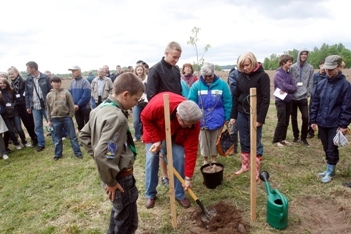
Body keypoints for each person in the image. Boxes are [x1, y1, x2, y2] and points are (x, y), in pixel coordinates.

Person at [79, 72, 144, 233]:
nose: (136, 104)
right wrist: (111, 180)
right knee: (126, 225)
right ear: (126, 94)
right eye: (136, 99)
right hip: (120, 179)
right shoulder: (117, 118)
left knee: (119, 217)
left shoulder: (100, 108)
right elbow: (103, 154)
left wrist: (102, 160)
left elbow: (84, 135)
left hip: (113, 175)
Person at [141, 91, 202, 209]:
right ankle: (150, 194)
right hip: (155, 129)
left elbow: (191, 149)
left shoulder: (194, 122)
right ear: (179, 116)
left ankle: (179, 194)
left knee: (179, 157)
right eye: (187, 124)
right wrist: (157, 139)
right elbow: (144, 117)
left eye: (192, 124)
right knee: (151, 159)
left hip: (176, 134)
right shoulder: (159, 105)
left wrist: (188, 177)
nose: (190, 127)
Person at [146, 41, 183, 188]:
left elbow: (178, 92)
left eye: (178, 57)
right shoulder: (155, 70)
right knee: (158, 151)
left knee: (176, 151)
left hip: (175, 117)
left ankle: (176, 179)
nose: (176, 60)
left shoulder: (176, 70)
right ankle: (164, 175)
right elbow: (151, 96)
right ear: (166, 53)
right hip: (160, 118)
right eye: (174, 57)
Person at [310, 55, 351, 183]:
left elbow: (347, 106)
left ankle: (331, 171)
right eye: (327, 68)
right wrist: (313, 120)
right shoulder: (321, 84)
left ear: (339, 67)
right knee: (325, 146)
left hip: (335, 123)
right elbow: (315, 103)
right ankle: (329, 167)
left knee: (332, 147)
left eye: (331, 69)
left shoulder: (345, 85)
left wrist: (344, 125)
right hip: (322, 122)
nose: (328, 71)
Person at [230, 52, 270, 181]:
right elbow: (235, 96)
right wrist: (233, 115)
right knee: (244, 139)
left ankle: (256, 169)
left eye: (247, 65)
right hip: (242, 112)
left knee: (256, 141)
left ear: (253, 63)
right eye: (242, 66)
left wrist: (260, 119)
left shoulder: (262, 76)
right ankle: (245, 166)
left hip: (255, 113)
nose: (245, 68)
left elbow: (265, 99)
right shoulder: (240, 76)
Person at [188, 62, 232, 165]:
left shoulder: (222, 85)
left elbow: (227, 101)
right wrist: (193, 116)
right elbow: (191, 102)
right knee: (203, 140)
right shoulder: (196, 86)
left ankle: (213, 158)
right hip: (201, 118)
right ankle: (205, 160)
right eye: (205, 76)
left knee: (215, 139)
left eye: (210, 76)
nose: (208, 78)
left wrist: (227, 116)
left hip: (218, 117)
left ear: (214, 73)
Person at [46, 76, 83, 161]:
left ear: (60, 83)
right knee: (57, 138)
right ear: (51, 83)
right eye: (54, 82)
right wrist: (49, 120)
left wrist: (70, 116)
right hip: (55, 119)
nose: (57, 84)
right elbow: (48, 108)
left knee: (72, 137)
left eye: (58, 82)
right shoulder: (49, 95)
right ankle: (58, 154)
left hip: (66, 118)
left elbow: (71, 106)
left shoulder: (66, 93)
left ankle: (78, 153)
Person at [25, 61, 52, 152]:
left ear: (33, 68)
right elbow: (27, 94)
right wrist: (28, 106)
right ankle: (41, 144)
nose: (27, 70)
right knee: (37, 126)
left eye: (28, 68)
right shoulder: (28, 79)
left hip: (46, 105)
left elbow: (50, 91)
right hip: (35, 106)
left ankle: (57, 140)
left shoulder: (45, 78)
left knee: (51, 122)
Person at [289, 49, 314, 147]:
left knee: (305, 117)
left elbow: (311, 82)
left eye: (305, 54)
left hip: (303, 96)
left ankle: (304, 138)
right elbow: (289, 80)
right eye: (302, 54)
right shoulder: (292, 67)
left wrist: (308, 93)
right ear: (299, 55)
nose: (304, 56)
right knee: (293, 118)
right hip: (293, 97)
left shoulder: (310, 68)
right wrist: (291, 92)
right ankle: (296, 136)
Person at [8, 67, 38, 146]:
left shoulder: (24, 82)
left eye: (12, 74)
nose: (11, 76)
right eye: (9, 74)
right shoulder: (11, 84)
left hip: (26, 104)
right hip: (18, 106)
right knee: (26, 124)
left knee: (31, 122)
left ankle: (36, 137)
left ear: (17, 73)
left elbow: (28, 93)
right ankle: (32, 137)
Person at [272, 54, 297, 146]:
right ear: (283, 63)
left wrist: (288, 89)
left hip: (289, 100)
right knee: (281, 121)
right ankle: (276, 140)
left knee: (286, 121)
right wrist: (289, 88)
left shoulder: (289, 74)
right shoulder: (278, 74)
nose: (291, 63)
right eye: (289, 62)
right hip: (280, 101)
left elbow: (294, 88)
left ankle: (283, 139)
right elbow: (283, 86)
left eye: (291, 61)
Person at [0, 78, 31, 149]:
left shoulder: (11, 91)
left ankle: (24, 141)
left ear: (6, 83)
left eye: (3, 83)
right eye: (0, 83)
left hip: (14, 112)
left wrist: (13, 105)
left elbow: (16, 100)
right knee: (10, 131)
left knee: (19, 129)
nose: (2, 85)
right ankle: (16, 143)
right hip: (5, 114)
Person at [68, 65, 91, 131]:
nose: (72, 73)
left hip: (85, 108)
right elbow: (69, 95)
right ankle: (82, 138)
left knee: (87, 124)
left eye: (74, 71)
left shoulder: (85, 82)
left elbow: (86, 96)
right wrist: (73, 105)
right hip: (76, 108)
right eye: (72, 71)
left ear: (79, 72)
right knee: (79, 124)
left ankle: (88, 139)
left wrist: (78, 104)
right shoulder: (72, 82)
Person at [307, 59, 326, 138]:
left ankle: (321, 133)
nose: (323, 67)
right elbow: (310, 85)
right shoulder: (314, 76)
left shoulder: (327, 77)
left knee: (322, 115)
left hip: (324, 99)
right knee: (312, 114)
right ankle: (310, 132)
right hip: (314, 98)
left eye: (325, 66)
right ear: (319, 66)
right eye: (322, 65)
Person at [132, 64, 148, 142]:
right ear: (136, 71)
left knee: (144, 120)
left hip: (145, 102)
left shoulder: (147, 79)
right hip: (136, 102)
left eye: (140, 70)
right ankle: (137, 135)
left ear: (143, 70)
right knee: (136, 120)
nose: (139, 71)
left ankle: (144, 135)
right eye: (138, 70)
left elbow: (147, 90)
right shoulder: (133, 79)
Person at [227, 64, 240, 154]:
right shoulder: (233, 74)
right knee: (233, 126)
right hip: (234, 102)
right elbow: (234, 90)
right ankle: (233, 147)